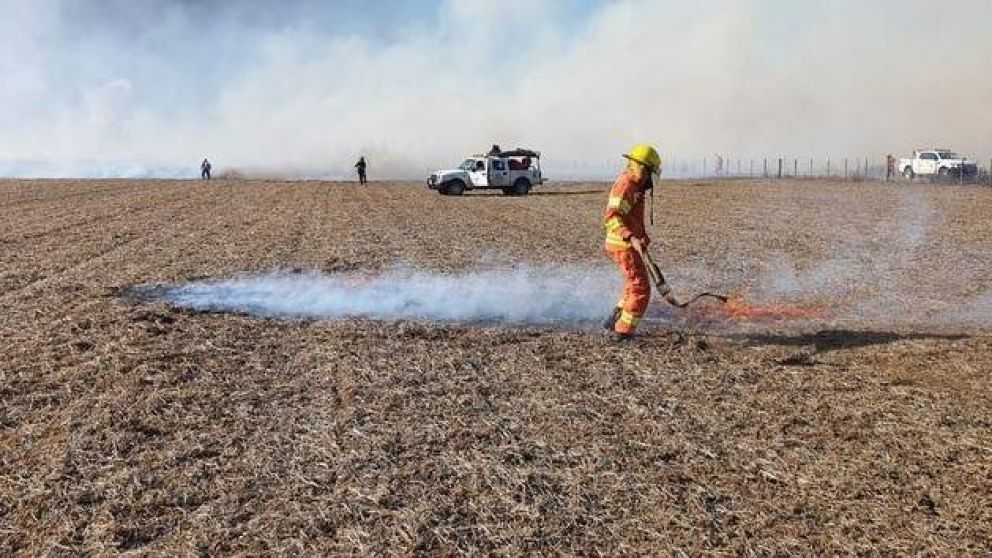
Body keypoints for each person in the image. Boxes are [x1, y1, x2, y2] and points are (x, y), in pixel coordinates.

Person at [602, 144, 662, 341]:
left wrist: (641, 236)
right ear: (642, 168)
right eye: (650, 172)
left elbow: (631, 217)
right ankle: (623, 332)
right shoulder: (627, 185)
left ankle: (616, 317)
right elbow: (611, 218)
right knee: (641, 289)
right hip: (623, 245)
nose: (651, 179)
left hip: (627, 244)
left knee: (632, 284)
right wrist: (631, 237)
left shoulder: (636, 186)